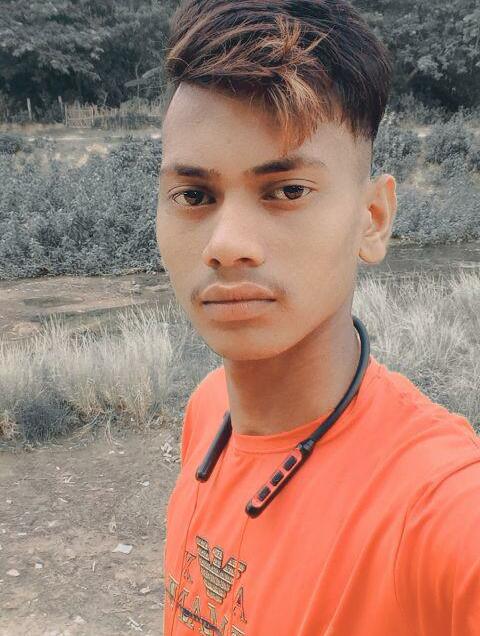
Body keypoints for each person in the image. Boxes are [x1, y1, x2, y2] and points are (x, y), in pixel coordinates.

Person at [155, 1, 480, 634]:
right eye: (194, 195)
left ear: (372, 219)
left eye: (286, 191)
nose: (226, 244)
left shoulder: (436, 503)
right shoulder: (209, 410)